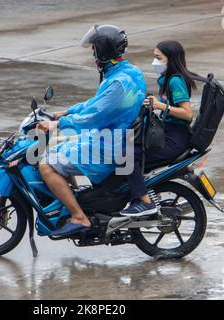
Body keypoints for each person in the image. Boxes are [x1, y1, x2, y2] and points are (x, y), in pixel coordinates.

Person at [37, 25, 147, 237]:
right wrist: (67, 111)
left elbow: (94, 116)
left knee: (46, 165)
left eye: (95, 49)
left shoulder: (117, 83)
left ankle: (79, 217)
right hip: (112, 138)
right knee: (60, 151)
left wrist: (57, 124)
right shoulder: (130, 72)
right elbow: (96, 103)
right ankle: (79, 203)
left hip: (109, 144)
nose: (93, 53)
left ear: (103, 50)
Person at [121, 40, 201, 216]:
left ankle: (145, 202)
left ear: (170, 60)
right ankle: (136, 195)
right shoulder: (167, 79)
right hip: (168, 133)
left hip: (175, 138)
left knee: (127, 157)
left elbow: (187, 114)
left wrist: (161, 106)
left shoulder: (175, 81)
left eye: (158, 58)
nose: (154, 62)